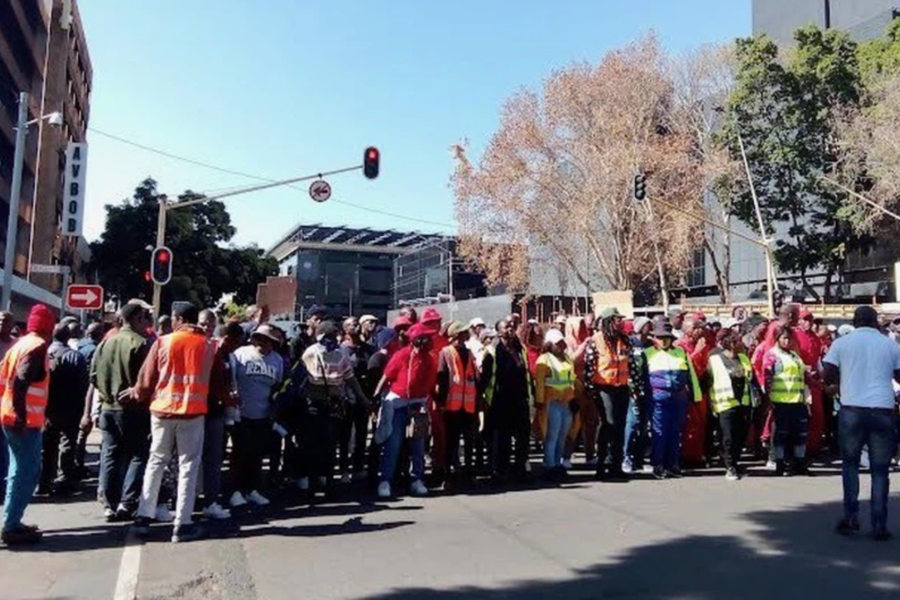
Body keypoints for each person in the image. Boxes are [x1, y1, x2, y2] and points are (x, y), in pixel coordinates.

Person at [131, 303, 221, 543]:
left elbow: (146, 379)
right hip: (193, 413)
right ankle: (183, 524)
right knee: (188, 466)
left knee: (156, 461)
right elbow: (218, 382)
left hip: (162, 411)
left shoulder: (163, 342)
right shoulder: (209, 346)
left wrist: (139, 396)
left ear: (179, 319)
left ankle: (143, 517)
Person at [824, 306, 900, 541]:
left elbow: (828, 371)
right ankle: (879, 523)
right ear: (876, 322)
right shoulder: (890, 344)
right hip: (882, 409)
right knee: (880, 469)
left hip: (852, 409)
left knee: (850, 465)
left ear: (855, 322)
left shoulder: (842, 343)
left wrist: (837, 385)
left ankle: (851, 517)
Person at [92, 301, 153, 521]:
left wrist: (107, 392)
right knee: (138, 454)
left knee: (110, 454)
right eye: (144, 318)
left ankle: (109, 504)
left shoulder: (105, 344)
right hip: (133, 409)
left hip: (107, 408)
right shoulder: (140, 343)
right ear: (137, 319)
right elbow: (148, 380)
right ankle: (127, 503)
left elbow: (93, 376)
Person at [0, 305, 56, 545]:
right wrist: (21, 416)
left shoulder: (19, 345)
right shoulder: (37, 348)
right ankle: (11, 525)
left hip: (9, 417)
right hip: (23, 421)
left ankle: (12, 521)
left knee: (17, 470)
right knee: (27, 472)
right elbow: (22, 381)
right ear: (48, 327)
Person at [299, 321, 368, 500]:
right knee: (314, 446)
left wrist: (362, 398)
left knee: (330, 446)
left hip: (334, 406)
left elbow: (350, 379)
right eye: (328, 337)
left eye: (333, 336)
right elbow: (311, 378)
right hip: (314, 405)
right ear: (320, 337)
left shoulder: (339, 355)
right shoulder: (311, 352)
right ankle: (313, 485)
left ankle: (329, 484)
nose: (332, 340)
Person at [375, 324, 436, 498]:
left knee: (418, 447)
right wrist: (375, 398)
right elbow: (387, 376)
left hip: (417, 407)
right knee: (393, 445)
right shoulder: (402, 355)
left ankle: (417, 480)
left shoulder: (429, 359)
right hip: (397, 406)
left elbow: (430, 384)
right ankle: (385, 481)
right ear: (418, 340)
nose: (430, 341)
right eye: (426, 338)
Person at [229, 324, 285, 508]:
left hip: (263, 414)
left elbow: (278, 386)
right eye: (261, 338)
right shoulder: (241, 354)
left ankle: (252, 489)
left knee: (256, 454)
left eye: (269, 340)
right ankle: (236, 491)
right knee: (239, 453)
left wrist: (274, 409)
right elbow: (231, 380)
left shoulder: (276, 360)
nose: (264, 343)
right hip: (241, 413)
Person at [39, 323, 90, 496]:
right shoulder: (76, 357)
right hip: (70, 407)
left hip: (47, 407)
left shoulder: (44, 353)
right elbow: (84, 384)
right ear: (68, 337)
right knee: (67, 443)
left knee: (47, 445)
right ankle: (63, 480)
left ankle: (44, 481)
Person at [646, 322, 701, 479]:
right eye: (660, 338)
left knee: (675, 432)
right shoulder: (648, 353)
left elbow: (691, 376)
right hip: (658, 397)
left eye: (666, 338)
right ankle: (658, 465)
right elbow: (641, 378)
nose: (663, 341)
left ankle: (673, 465)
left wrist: (695, 396)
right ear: (654, 338)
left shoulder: (681, 352)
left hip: (679, 397)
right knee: (660, 432)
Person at [201, 321, 243, 520]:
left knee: (213, 458)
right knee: (211, 459)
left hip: (219, 411)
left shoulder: (227, 355)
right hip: (209, 411)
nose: (237, 347)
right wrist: (228, 398)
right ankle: (209, 501)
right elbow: (212, 384)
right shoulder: (214, 352)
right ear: (227, 338)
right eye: (236, 343)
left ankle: (208, 498)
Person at [481, 318, 533, 483]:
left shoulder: (520, 349)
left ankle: (519, 469)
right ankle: (499, 471)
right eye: (506, 327)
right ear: (498, 332)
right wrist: (483, 399)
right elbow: (486, 378)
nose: (510, 329)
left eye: (511, 326)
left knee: (523, 436)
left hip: (519, 398)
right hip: (500, 400)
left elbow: (526, 374)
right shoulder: (492, 351)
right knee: (500, 438)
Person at [584, 307, 631, 480]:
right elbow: (589, 366)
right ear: (608, 321)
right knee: (608, 424)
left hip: (622, 388)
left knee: (620, 426)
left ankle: (615, 466)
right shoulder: (595, 340)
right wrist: (590, 389)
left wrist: (635, 388)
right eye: (617, 319)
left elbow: (630, 364)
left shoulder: (625, 340)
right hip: (604, 388)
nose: (620, 322)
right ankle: (601, 465)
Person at [707, 329, 755, 481]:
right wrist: (711, 404)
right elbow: (707, 382)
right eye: (739, 342)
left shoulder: (743, 358)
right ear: (731, 344)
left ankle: (735, 461)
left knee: (740, 435)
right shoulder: (715, 360)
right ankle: (729, 466)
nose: (742, 345)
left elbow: (750, 379)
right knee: (728, 437)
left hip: (743, 403)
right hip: (725, 403)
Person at [763, 325, 811, 477]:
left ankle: (800, 463)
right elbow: (768, 379)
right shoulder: (772, 355)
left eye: (790, 338)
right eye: (784, 338)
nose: (787, 341)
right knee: (781, 435)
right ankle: (780, 463)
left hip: (798, 401)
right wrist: (769, 400)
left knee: (800, 434)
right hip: (781, 401)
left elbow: (802, 377)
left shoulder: (794, 356)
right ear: (777, 338)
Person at [436, 322, 479, 488]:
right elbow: (442, 378)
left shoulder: (469, 353)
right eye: (461, 334)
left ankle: (468, 473)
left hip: (468, 406)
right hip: (451, 406)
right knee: (451, 443)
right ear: (454, 335)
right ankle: (448, 476)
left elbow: (474, 377)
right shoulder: (445, 353)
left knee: (469, 442)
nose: (464, 337)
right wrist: (441, 402)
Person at [534, 329, 577, 479]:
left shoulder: (566, 359)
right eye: (558, 343)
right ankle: (549, 464)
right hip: (552, 402)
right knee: (552, 434)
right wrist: (539, 402)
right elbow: (539, 383)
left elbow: (571, 381)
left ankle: (558, 464)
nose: (561, 346)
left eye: (562, 343)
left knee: (562, 435)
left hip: (566, 402)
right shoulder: (544, 359)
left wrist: (574, 399)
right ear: (550, 344)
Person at [339, 316, 373, 483]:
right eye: (352, 324)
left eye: (357, 323)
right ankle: (344, 469)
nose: (356, 326)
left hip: (364, 398)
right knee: (344, 435)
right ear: (345, 329)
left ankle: (358, 468)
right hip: (346, 398)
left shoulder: (368, 349)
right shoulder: (341, 350)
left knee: (361, 434)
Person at [675, 313, 712, 465]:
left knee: (700, 424)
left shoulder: (702, 344)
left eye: (701, 328)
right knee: (689, 425)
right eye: (696, 328)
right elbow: (686, 368)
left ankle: (697, 454)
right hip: (686, 390)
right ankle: (688, 456)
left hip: (700, 389)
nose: (699, 332)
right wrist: (697, 352)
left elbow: (704, 367)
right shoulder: (679, 345)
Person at [623, 316, 653, 474]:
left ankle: (639, 459)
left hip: (648, 389)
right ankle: (626, 457)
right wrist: (631, 386)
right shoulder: (630, 342)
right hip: (632, 389)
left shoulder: (651, 344)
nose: (650, 327)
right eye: (648, 325)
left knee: (643, 425)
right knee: (632, 423)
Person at [564, 316, 595, 468]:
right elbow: (571, 360)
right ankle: (566, 456)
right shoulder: (568, 342)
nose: (583, 328)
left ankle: (590, 455)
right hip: (575, 387)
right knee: (574, 423)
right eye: (580, 325)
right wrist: (582, 346)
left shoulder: (591, 338)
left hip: (589, 385)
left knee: (591, 422)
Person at [796, 309, 825, 457]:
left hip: (814, 382)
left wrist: (821, 375)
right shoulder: (794, 335)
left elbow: (817, 359)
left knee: (817, 415)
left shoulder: (814, 337)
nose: (808, 322)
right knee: (802, 416)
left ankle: (813, 446)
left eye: (810, 319)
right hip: (799, 381)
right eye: (805, 319)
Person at [0, 311, 15, 495]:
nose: (2, 324)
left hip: (7, 402)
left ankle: (3, 484)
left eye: (5, 321)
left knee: (4, 445)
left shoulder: (16, 345)